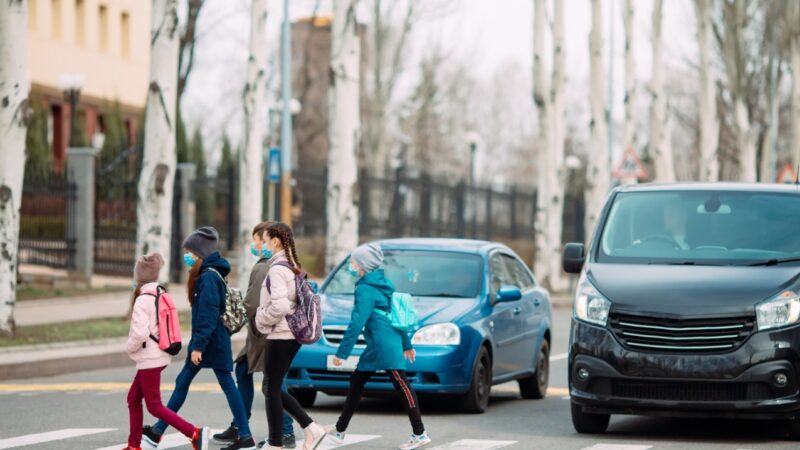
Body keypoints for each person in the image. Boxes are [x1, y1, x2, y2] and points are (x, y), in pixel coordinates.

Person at [142, 227, 256, 450]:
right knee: (184, 382)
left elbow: (208, 314)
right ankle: (157, 431)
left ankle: (246, 436)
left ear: (199, 253)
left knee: (225, 385)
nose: (186, 256)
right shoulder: (208, 274)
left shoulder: (208, 278)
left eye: (188, 252)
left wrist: (198, 347)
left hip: (211, 342)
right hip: (209, 341)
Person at [328, 243, 431, 450]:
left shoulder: (365, 289)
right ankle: (339, 431)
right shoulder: (382, 283)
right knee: (357, 381)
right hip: (380, 343)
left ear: (363, 265)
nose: (351, 264)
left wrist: (342, 352)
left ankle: (420, 433)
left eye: (354, 261)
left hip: (384, 344)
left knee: (401, 384)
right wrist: (406, 344)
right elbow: (395, 317)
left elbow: (357, 322)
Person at [213, 222, 297, 449]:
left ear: (270, 241)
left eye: (258, 240)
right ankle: (241, 425)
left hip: (263, 333)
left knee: (273, 383)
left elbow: (250, 304)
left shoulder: (264, 267)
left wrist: (229, 325)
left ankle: (286, 430)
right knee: (246, 370)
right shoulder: (286, 262)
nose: (255, 244)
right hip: (266, 331)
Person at [124, 253, 209, 450]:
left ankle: (194, 433)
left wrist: (129, 348)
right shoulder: (161, 292)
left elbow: (139, 334)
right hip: (161, 353)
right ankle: (134, 445)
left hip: (150, 356)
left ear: (139, 277)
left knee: (154, 405)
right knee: (134, 398)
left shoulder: (142, 300)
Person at [255, 222, 327, 450]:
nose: (263, 245)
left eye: (265, 240)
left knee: (271, 388)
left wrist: (260, 317)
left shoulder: (277, 269)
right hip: (291, 334)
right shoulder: (291, 264)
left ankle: (278, 441)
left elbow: (280, 306)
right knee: (272, 387)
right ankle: (308, 430)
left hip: (281, 334)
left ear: (275, 241)